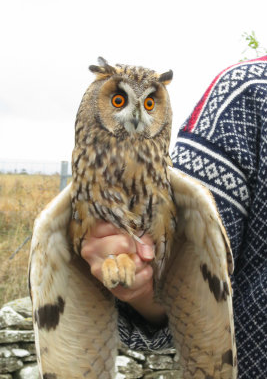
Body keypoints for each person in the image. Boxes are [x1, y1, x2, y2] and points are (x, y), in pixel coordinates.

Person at [81, 56, 267, 378]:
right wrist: (141, 285)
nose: (137, 115)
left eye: (150, 103)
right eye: (119, 100)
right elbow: (190, 280)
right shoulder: (247, 95)